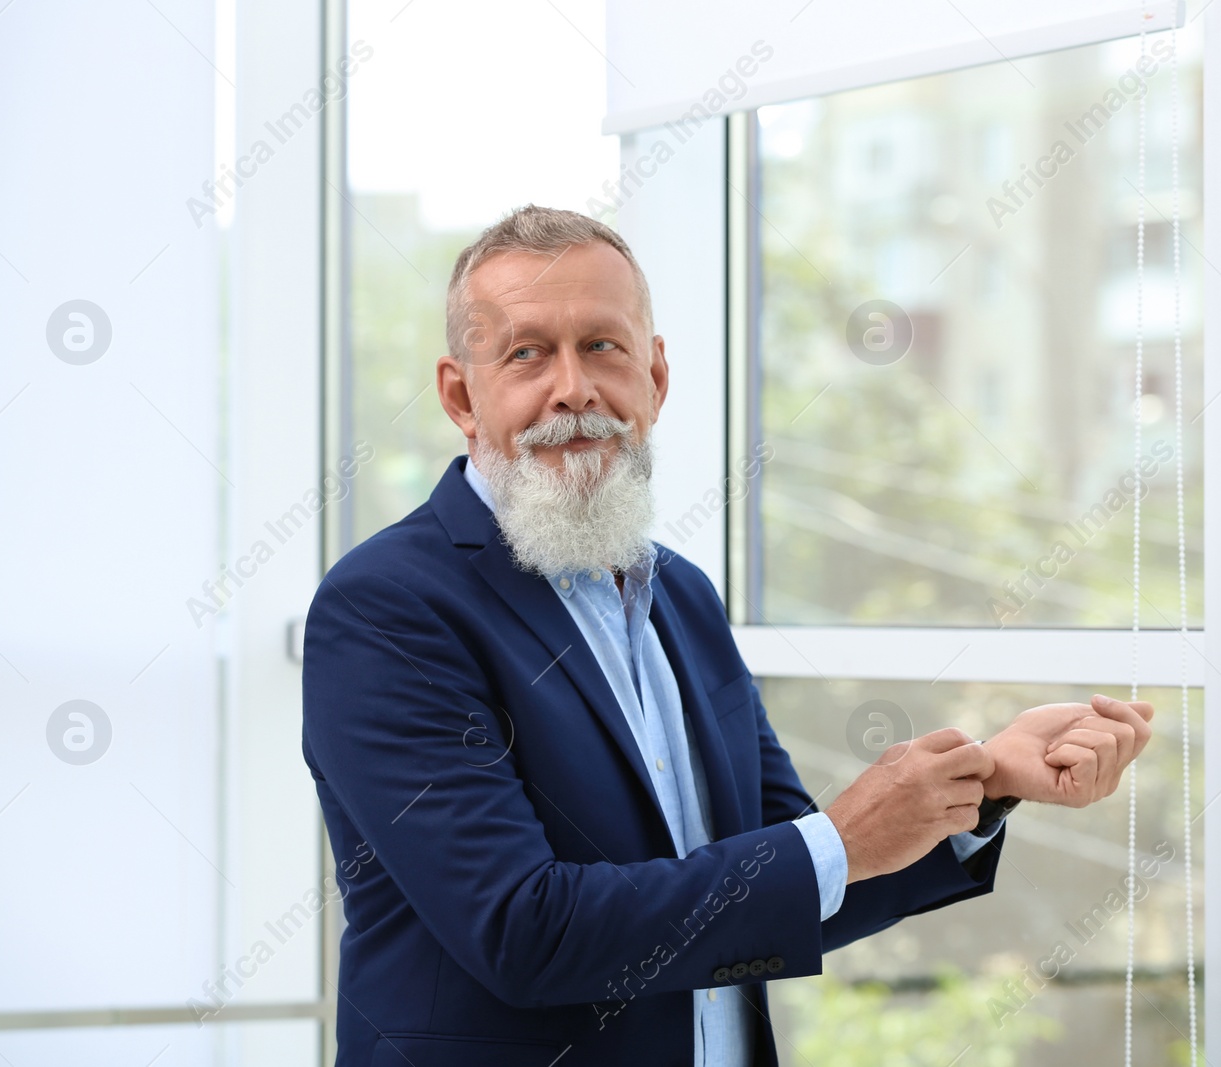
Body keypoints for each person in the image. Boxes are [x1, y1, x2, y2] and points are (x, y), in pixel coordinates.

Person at [301, 204, 1154, 1066]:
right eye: (527, 353)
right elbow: (525, 929)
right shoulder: (385, 608)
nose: (572, 389)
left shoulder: (681, 596)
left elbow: (804, 879)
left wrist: (989, 778)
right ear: (460, 395)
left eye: (603, 345)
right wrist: (837, 840)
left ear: (656, 376)